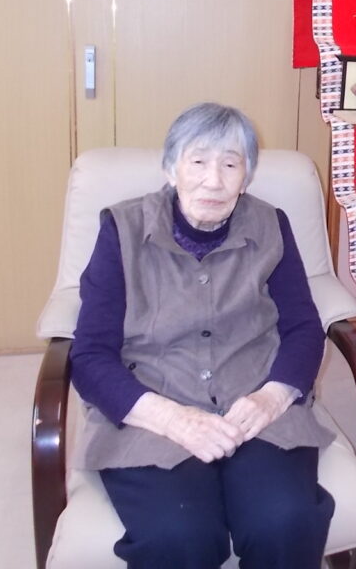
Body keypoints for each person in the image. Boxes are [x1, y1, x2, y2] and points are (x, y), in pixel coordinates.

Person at [70, 103, 334, 568]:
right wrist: (171, 419)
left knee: (285, 522)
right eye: (198, 161)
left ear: (246, 176)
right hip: (153, 408)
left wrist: (271, 398)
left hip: (255, 406)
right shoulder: (122, 229)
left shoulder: (272, 225)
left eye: (230, 164)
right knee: (178, 535)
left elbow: (302, 328)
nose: (214, 180)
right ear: (170, 168)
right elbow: (90, 355)